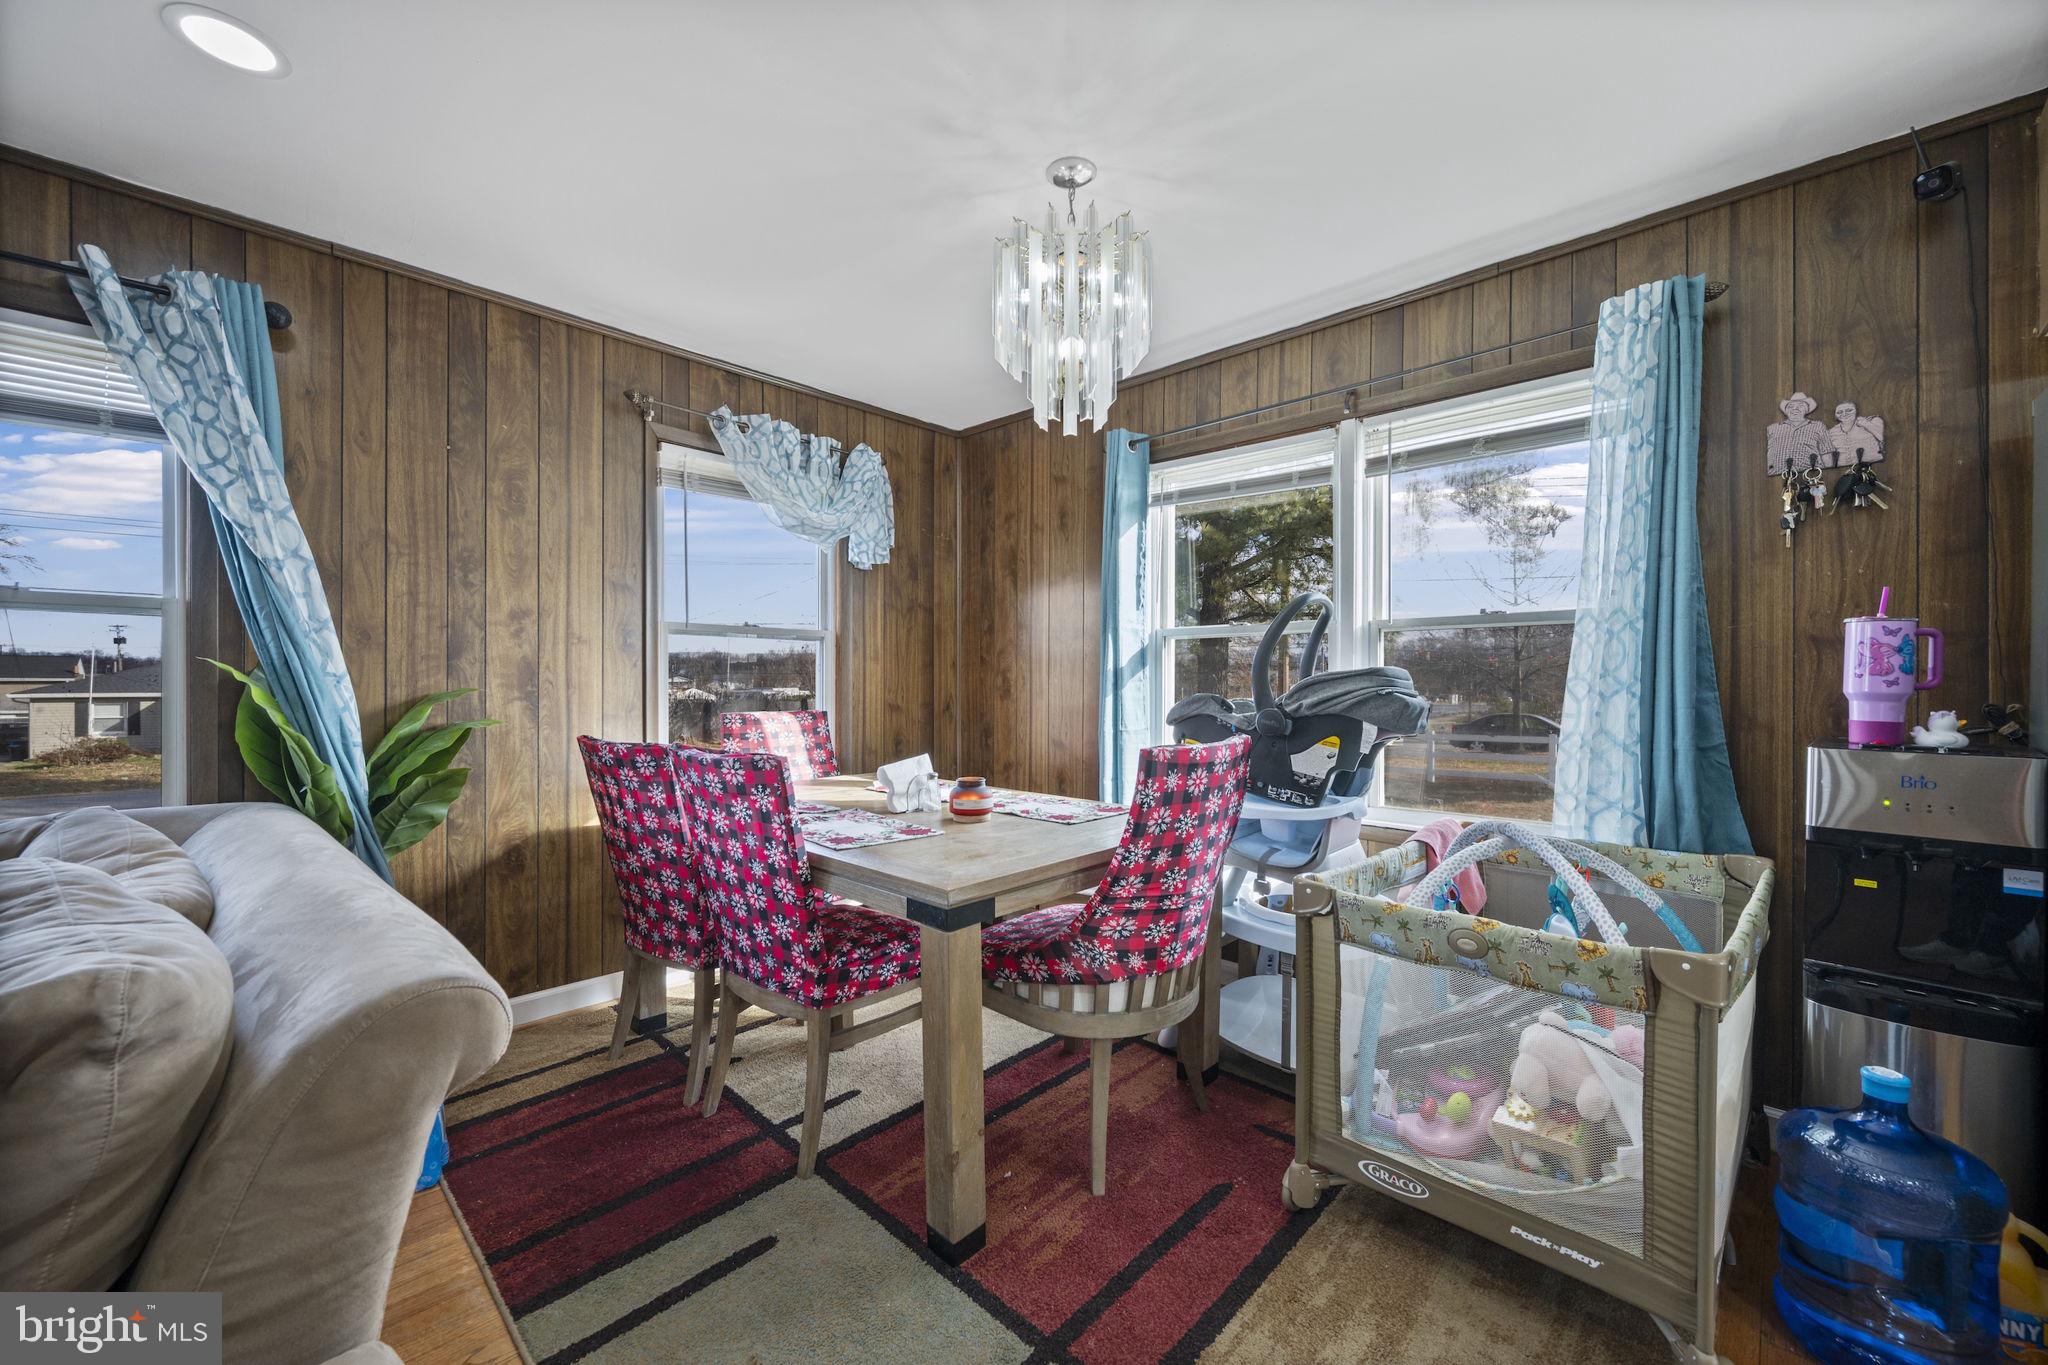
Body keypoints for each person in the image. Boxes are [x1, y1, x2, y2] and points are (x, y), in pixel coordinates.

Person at [1767, 392, 1832, 473]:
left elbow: (1827, 453)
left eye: (1800, 406)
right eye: (1791, 406)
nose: (1795, 409)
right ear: (1786, 411)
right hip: (1777, 475)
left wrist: (1829, 473)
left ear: (1806, 409)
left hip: (1810, 474)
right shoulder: (1773, 428)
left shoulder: (1818, 426)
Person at [1828, 401, 1885, 466]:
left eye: (1849, 410)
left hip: (1873, 465)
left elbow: (1882, 438)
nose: (1844, 414)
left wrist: (1865, 424)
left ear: (1856, 411)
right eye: (1839, 412)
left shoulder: (1871, 421)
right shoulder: (1831, 432)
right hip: (1843, 468)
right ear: (1835, 415)